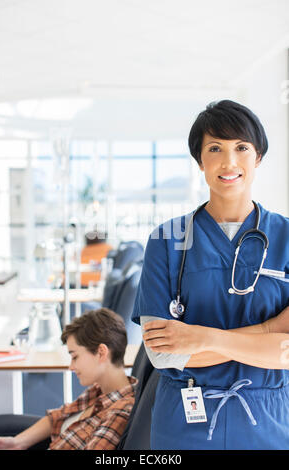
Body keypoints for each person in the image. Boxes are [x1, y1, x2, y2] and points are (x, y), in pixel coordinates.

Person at [132, 99, 289, 450]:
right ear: (200, 160)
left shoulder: (287, 237)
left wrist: (203, 339)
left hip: (269, 426)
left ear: (258, 157)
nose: (229, 161)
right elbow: (164, 355)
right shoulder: (165, 240)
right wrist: (267, 332)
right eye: (215, 148)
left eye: (242, 148)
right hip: (184, 428)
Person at [0, 308, 137, 450]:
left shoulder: (119, 412)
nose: (71, 367)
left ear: (101, 352)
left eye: (75, 356)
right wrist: (17, 443)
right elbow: (59, 416)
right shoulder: (100, 390)